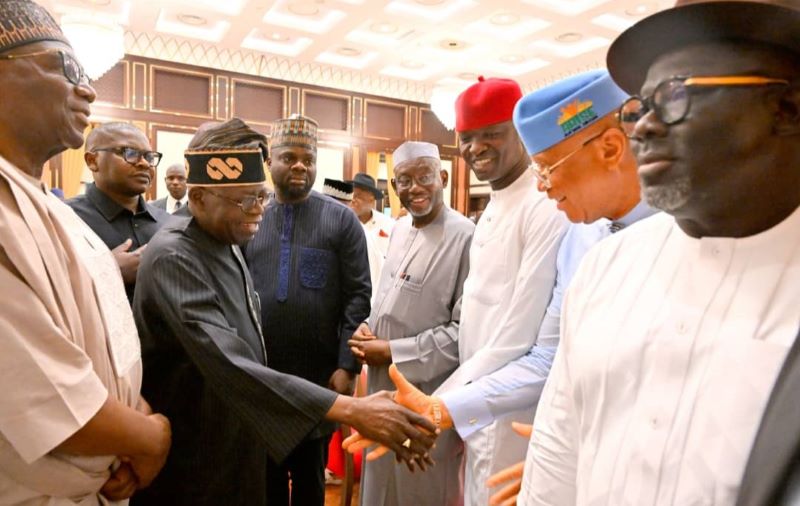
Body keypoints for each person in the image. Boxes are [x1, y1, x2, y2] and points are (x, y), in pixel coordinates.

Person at [517, 0, 800, 504]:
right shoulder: (604, 269)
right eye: (639, 108)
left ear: (787, 108)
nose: (642, 129)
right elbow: (557, 458)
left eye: (674, 97)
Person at [132, 118, 436, 506]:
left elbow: (355, 295)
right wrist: (353, 410)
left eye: (261, 197)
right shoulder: (175, 255)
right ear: (200, 197)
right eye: (246, 200)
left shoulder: (225, 235)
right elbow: (230, 363)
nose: (259, 210)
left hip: (241, 436)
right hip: (197, 459)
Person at [0, 1, 171, 503]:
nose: (89, 89)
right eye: (65, 69)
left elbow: (101, 346)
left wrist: (135, 417)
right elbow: (39, 394)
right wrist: (151, 438)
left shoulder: (42, 203)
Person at [435, 76, 566, 505]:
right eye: (467, 138)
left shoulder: (543, 206)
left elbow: (518, 333)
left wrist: (443, 401)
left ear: (520, 132)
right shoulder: (494, 204)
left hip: (508, 404)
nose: (476, 147)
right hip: (474, 397)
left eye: (491, 133)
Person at [244, 114, 373, 506]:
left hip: (318, 378)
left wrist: (347, 365)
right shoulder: (250, 215)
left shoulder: (341, 219)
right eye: (289, 158)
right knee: (263, 482)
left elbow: (358, 296)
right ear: (270, 161)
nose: (300, 166)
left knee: (310, 482)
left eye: (308, 159)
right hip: (260, 376)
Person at [349, 141, 474, 506]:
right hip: (380, 390)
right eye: (404, 180)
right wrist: (368, 326)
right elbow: (389, 300)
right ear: (394, 186)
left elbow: (464, 333)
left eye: (424, 177)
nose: (415, 188)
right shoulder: (400, 229)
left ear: (443, 178)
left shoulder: (467, 237)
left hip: (428, 395)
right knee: (378, 484)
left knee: (421, 488)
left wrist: (392, 351)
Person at [67, 122, 169, 302]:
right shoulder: (64, 217)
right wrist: (107, 272)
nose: (145, 163)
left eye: (149, 156)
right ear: (92, 161)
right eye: (130, 153)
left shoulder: (169, 223)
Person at [323, 177, 385, 301]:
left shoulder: (362, 235)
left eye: (358, 196)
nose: (354, 201)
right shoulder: (319, 230)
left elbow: (370, 283)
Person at [350, 172, 395, 257]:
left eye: (357, 196)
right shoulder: (346, 224)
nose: (353, 200)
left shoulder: (388, 224)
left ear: (371, 198)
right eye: (352, 195)